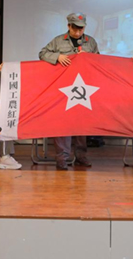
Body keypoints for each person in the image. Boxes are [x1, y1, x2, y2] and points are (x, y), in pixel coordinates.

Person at [39, 12, 99, 170]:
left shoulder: (91, 42)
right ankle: (62, 158)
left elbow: (99, 61)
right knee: (62, 124)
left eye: (81, 29)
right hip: (63, 89)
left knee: (81, 124)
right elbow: (42, 53)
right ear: (68, 26)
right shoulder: (58, 41)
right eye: (75, 28)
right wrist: (57, 57)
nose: (78, 32)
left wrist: (89, 57)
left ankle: (81, 156)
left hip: (83, 89)